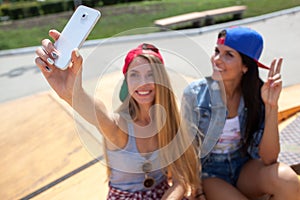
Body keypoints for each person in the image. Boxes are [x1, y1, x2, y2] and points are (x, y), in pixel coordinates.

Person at [35, 29, 200, 199]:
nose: (143, 83)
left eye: (151, 74)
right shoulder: (118, 126)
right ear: (126, 81)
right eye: (134, 75)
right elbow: (95, 111)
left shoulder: (171, 122)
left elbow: (181, 179)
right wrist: (73, 94)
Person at [182, 26, 300, 200]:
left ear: (245, 66)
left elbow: (269, 159)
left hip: (244, 167)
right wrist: (195, 188)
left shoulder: (257, 94)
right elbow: (186, 150)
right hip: (210, 174)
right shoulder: (195, 93)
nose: (217, 59)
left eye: (228, 55)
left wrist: (271, 107)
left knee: (288, 180)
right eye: (217, 51)